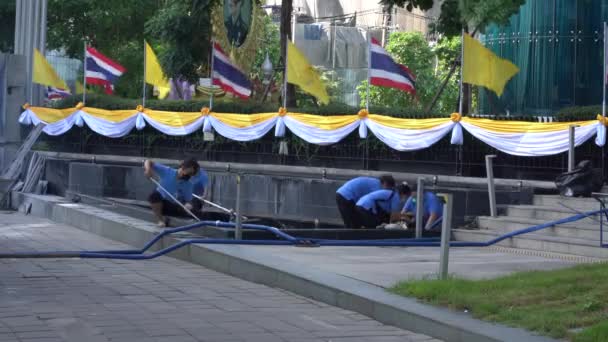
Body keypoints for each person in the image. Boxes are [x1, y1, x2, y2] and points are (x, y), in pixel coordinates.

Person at [144, 158, 200, 227]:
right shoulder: (167, 171)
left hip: (172, 205)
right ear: (183, 167)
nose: (189, 176)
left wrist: (188, 205)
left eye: (192, 174)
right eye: (189, 173)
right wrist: (148, 170)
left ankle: (167, 218)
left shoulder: (188, 183)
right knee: (154, 195)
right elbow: (148, 161)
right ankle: (161, 220)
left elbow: (189, 200)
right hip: (159, 201)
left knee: (195, 206)